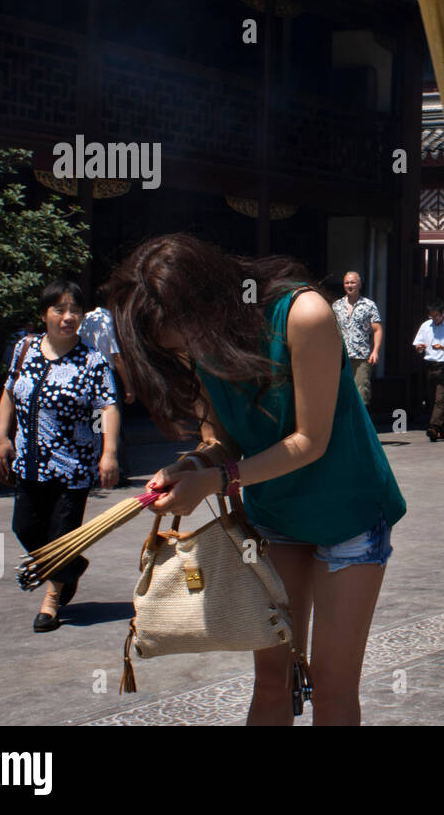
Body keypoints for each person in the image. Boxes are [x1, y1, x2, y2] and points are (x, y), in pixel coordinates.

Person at [106, 234, 406, 726]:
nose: (190, 356)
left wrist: (221, 478)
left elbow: (311, 439)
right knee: (273, 679)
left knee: (332, 688)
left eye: (187, 341)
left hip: (347, 512)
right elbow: (219, 440)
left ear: (210, 300)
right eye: (176, 350)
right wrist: (195, 467)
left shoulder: (302, 314)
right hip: (275, 515)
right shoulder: (196, 346)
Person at [0, 281, 120, 632]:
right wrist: (1, 436)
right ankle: (72, 566)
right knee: (25, 527)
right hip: (28, 461)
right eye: (59, 309)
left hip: (73, 466)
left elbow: (108, 407)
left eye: (75, 310)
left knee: (62, 534)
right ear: (44, 314)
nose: (68, 317)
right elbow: (9, 392)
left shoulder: (92, 360)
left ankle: (51, 602)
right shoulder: (24, 348)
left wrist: (109, 453)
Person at [79, 290, 136, 485]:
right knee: (112, 424)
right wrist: (129, 386)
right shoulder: (107, 320)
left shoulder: (85, 319)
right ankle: (116, 470)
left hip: (87, 377)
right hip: (106, 376)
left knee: (97, 424)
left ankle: (96, 468)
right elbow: (117, 356)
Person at [329, 271, 382, 408]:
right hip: (341, 357)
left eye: (352, 282)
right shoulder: (336, 306)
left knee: (361, 393)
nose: (349, 285)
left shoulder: (369, 305)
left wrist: (375, 351)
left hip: (362, 356)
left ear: (359, 285)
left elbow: (377, 330)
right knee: (342, 393)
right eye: (347, 283)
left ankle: (360, 426)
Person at [412, 298, 444, 441]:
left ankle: (433, 427)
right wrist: (420, 348)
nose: (433, 319)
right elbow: (417, 345)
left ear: (442, 313)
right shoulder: (426, 326)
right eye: (431, 316)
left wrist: (443, 347)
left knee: (441, 397)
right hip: (429, 364)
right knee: (433, 398)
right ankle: (441, 428)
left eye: (436, 316)